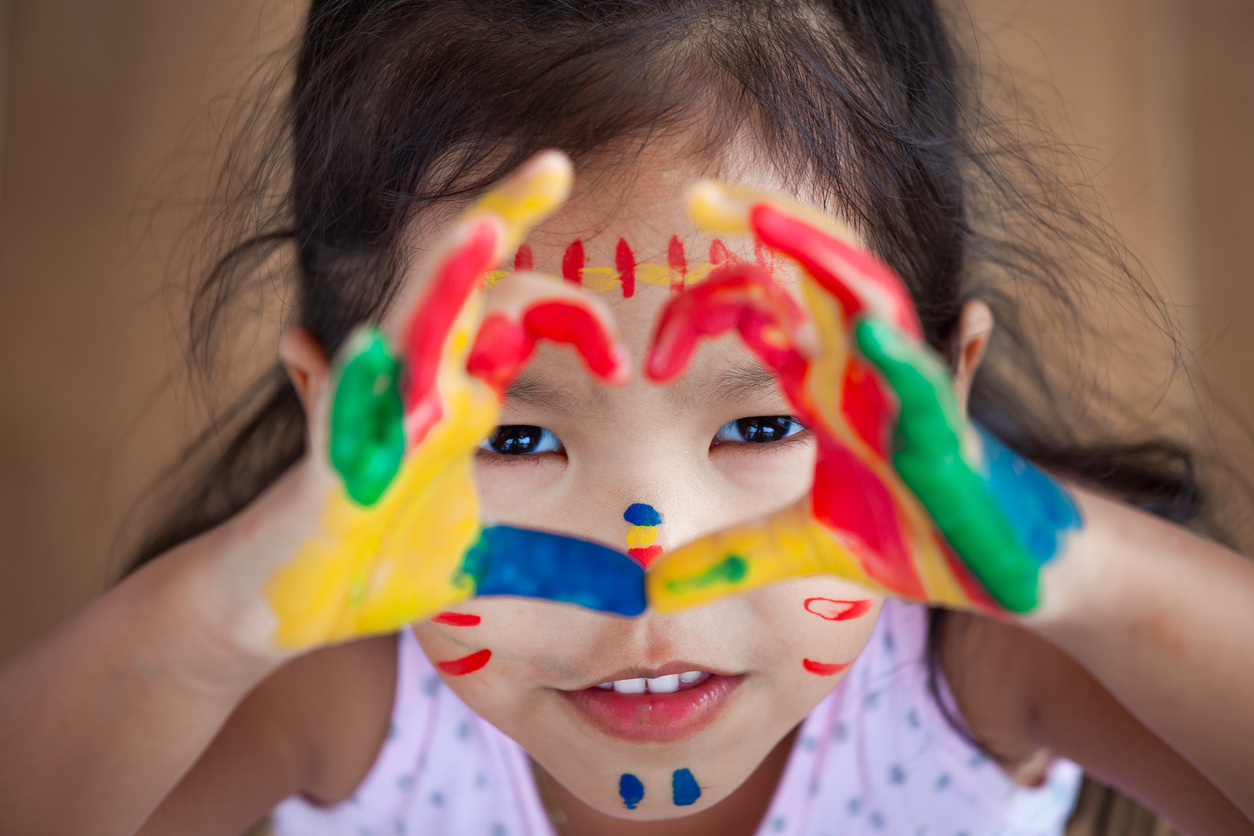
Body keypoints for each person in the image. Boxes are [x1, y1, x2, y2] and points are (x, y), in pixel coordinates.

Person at [1, 2, 1252, 835]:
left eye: (763, 426)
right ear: (336, 411)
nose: (642, 553)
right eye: (513, 434)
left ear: (947, 388)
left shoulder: (978, 657)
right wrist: (229, 607)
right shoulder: (343, 689)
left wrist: (1066, 563)